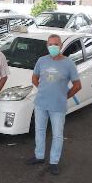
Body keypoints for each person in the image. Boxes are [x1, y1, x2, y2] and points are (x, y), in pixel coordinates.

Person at [26, 34, 81, 175]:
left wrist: (64, 96)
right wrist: (43, 89)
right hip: (41, 103)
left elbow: (77, 85)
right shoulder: (41, 60)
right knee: (40, 131)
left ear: (61, 46)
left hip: (58, 106)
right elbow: (34, 77)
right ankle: (39, 156)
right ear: (47, 46)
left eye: (56, 44)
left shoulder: (68, 63)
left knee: (57, 135)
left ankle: (54, 162)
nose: (53, 47)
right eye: (50, 44)